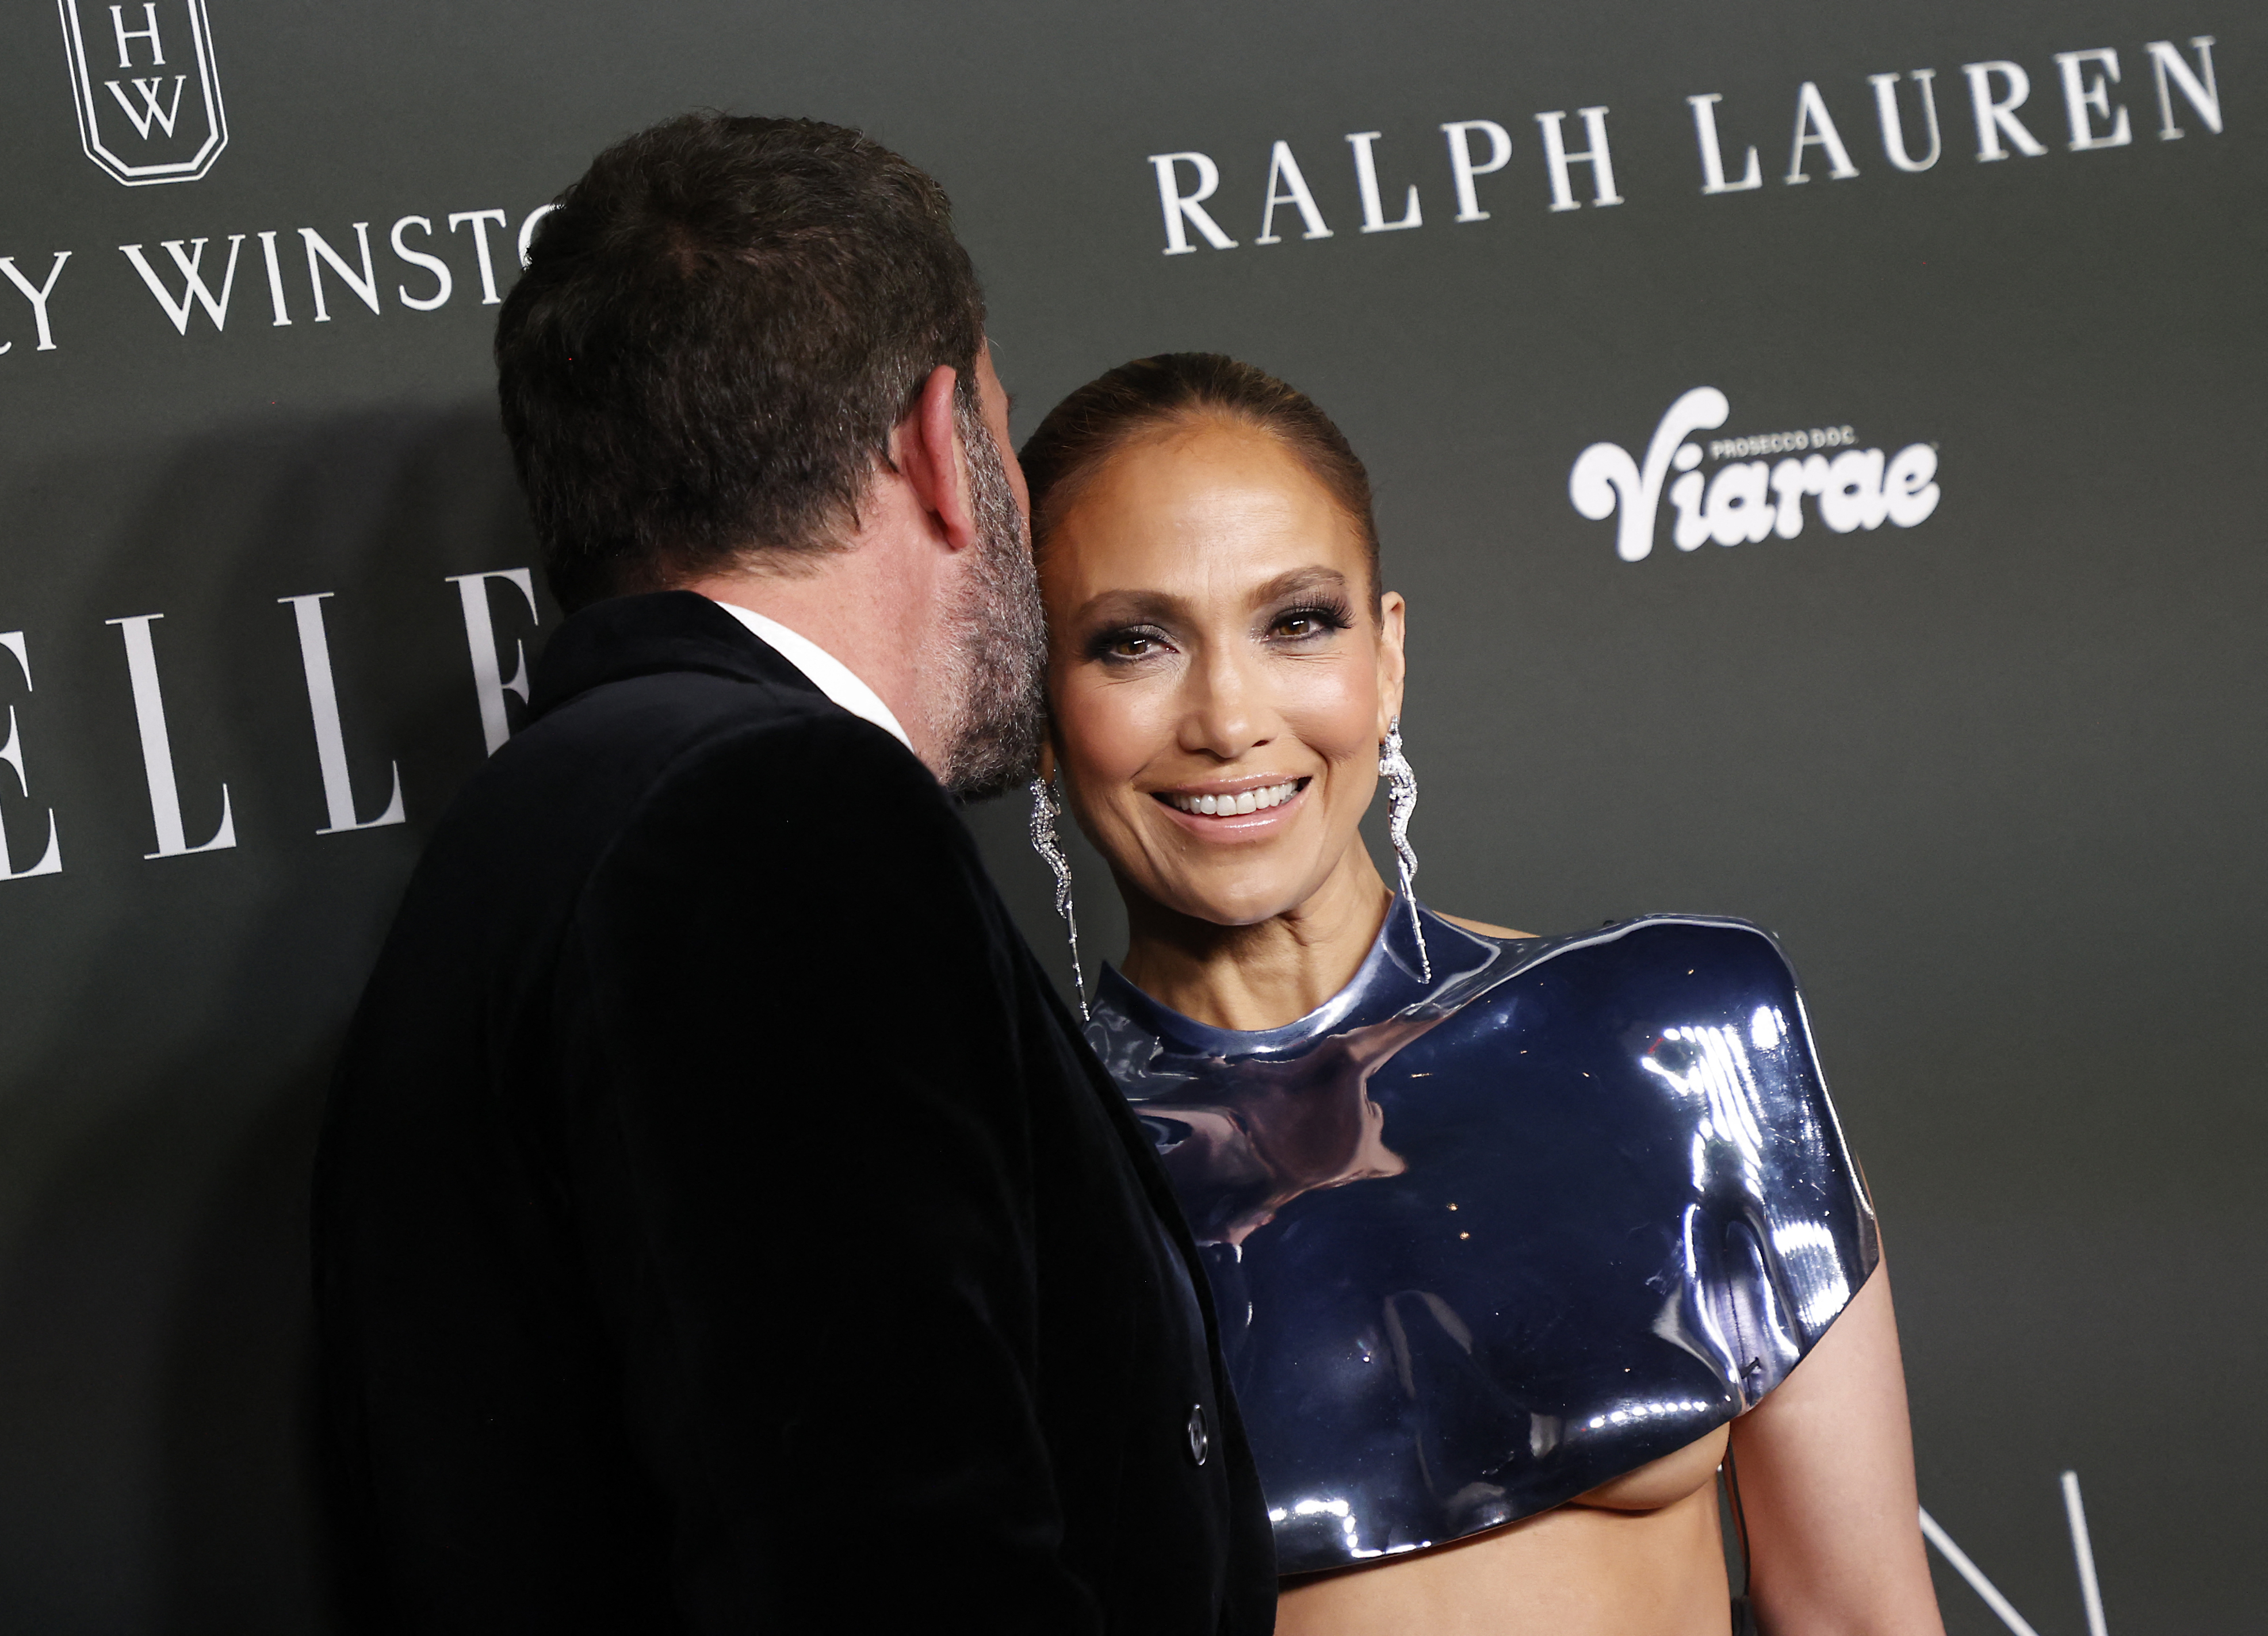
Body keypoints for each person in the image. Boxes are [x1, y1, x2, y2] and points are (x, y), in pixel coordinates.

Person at [311, 124, 1274, 1634]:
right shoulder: (770, 820)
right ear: (936, 442)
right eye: (1005, 435)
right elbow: (896, 1565)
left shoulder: (556, 817)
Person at [1018, 353, 1945, 1635]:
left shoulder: (1679, 1031)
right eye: (1134, 643)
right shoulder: (1024, 1191)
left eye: (1296, 622)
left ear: (1385, 658)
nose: (1228, 717)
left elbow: (1858, 1616)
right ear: (1041, 709)